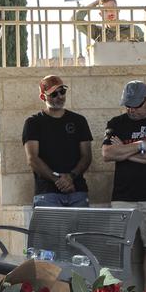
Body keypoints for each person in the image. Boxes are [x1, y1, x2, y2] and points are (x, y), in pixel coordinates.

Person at [102, 80, 146, 290]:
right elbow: (107, 153)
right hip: (123, 197)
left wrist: (125, 153)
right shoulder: (117, 122)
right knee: (119, 249)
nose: (131, 110)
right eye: (128, 105)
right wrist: (142, 146)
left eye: (136, 105)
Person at [22, 75, 93, 207]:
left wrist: (70, 177)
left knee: (81, 229)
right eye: (54, 94)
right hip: (47, 193)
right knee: (49, 229)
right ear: (43, 97)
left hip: (77, 191)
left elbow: (87, 156)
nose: (60, 96)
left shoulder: (79, 121)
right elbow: (32, 159)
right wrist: (58, 180)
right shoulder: (33, 123)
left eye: (62, 91)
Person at [75, 0, 144, 43]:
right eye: (105, 10)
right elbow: (75, 20)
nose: (110, 11)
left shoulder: (134, 29)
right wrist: (95, 3)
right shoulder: (98, 32)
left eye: (113, 8)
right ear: (101, 14)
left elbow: (144, 54)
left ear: (118, 10)